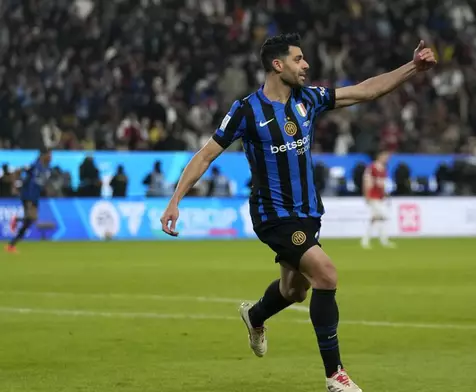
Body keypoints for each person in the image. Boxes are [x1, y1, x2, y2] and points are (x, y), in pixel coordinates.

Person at [159, 33, 436, 391]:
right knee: (327, 273)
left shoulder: (309, 98)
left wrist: (413, 67)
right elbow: (205, 155)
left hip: (307, 212)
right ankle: (335, 375)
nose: (306, 65)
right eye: (299, 59)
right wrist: (175, 200)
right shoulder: (246, 110)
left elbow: (367, 90)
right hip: (273, 215)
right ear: (278, 65)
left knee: (295, 291)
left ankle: (255, 315)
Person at [5, 149, 52, 253]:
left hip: (35, 197)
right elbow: (18, 171)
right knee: (30, 218)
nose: (51, 157)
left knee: (31, 220)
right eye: (49, 155)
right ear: (42, 156)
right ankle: (12, 241)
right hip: (27, 196)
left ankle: (12, 243)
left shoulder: (47, 168)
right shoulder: (34, 166)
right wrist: (16, 185)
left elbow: (43, 183)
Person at [360, 151, 395, 249]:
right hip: (373, 196)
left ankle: (367, 240)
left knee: (375, 219)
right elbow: (367, 181)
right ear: (379, 156)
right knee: (384, 216)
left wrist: (385, 194)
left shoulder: (384, 169)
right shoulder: (372, 168)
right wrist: (366, 195)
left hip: (380, 197)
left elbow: (383, 184)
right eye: (385, 157)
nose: (387, 159)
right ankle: (382, 240)